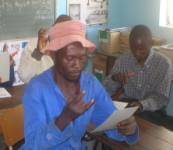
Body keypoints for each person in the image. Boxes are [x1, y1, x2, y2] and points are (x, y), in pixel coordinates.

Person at [21, 20, 139, 150]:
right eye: (70, 58)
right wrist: (64, 119)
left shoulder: (90, 84)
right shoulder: (36, 89)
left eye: (82, 57)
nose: (77, 65)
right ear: (54, 55)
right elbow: (32, 146)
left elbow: (111, 124)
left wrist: (128, 129)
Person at [104, 25, 172, 112]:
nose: (137, 54)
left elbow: (161, 98)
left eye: (142, 50)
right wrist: (114, 78)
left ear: (151, 44)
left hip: (152, 109)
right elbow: (106, 90)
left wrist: (141, 105)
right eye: (133, 49)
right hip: (127, 104)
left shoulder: (164, 64)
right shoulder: (123, 60)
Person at [17, 15, 72, 83]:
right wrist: (38, 53)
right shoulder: (33, 46)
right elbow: (24, 76)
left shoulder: (71, 48)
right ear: (53, 28)